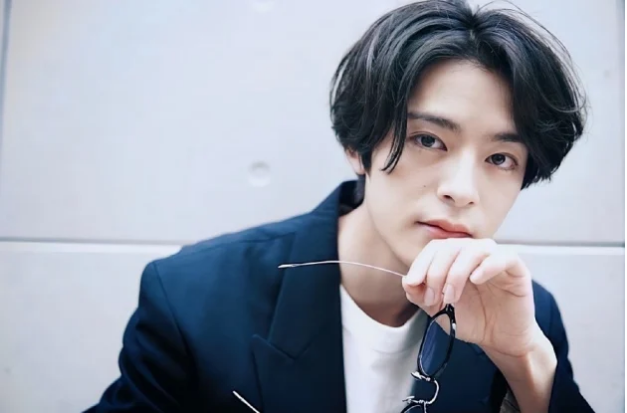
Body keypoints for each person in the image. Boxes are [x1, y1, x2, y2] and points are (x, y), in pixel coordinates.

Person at [86, 0, 595, 412]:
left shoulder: (526, 316)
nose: (462, 190)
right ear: (358, 144)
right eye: (428, 140)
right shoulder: (194, 298)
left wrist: (525, 360)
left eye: (500, 158)